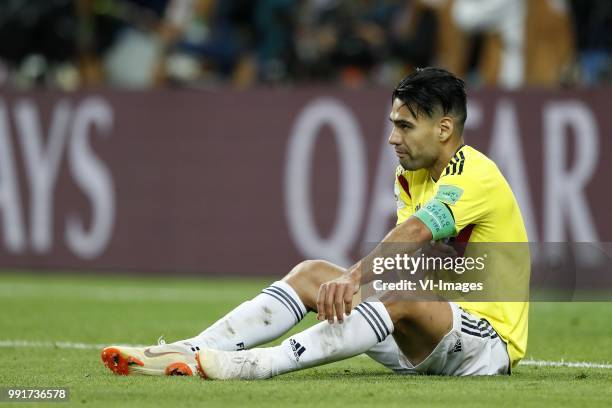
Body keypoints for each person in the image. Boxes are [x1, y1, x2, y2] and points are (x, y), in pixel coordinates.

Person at [101, 67, 528, 378]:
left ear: (445, 128)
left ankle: (258, 365)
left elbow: (415, 235)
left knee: (386, 287)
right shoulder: (411, 176)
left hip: (484, 344)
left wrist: (357, 277)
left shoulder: (473, 173)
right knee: (312, 274)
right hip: (420, 332)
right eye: (392, 125)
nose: (392, 138)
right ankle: (193, 349)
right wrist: (355, 280)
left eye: (405, 126)